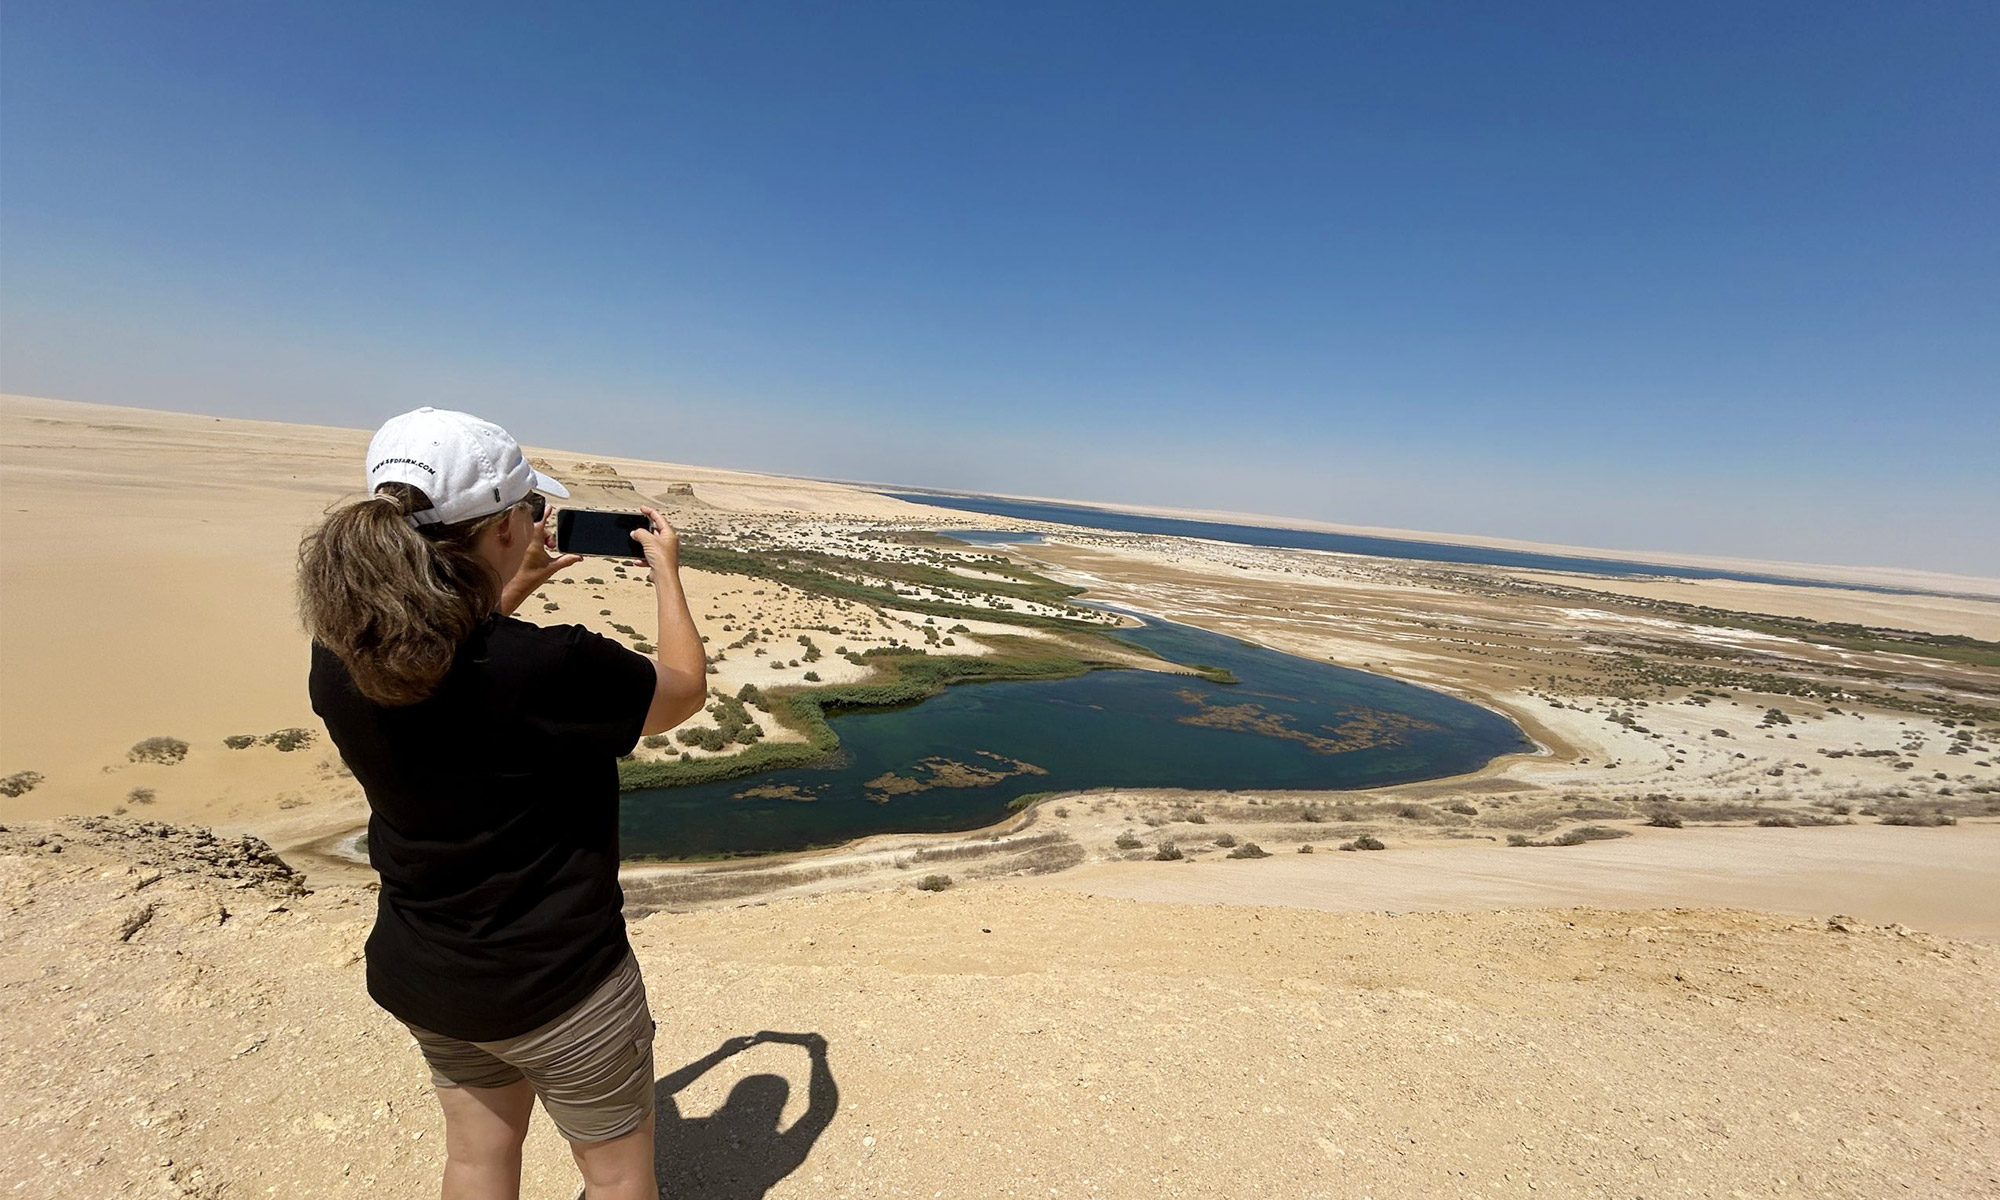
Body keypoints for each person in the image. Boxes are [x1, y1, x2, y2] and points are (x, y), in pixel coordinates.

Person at [298, 407, 707, 1200]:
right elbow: (683, 692)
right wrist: (666, 575)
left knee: (479, 1159)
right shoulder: (549, 669)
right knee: (619, 1177)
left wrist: (505, 590)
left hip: (428, 972)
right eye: (528, 511)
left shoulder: (341, 653)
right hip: (560, 982)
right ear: (506, 528)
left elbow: (443, 665)